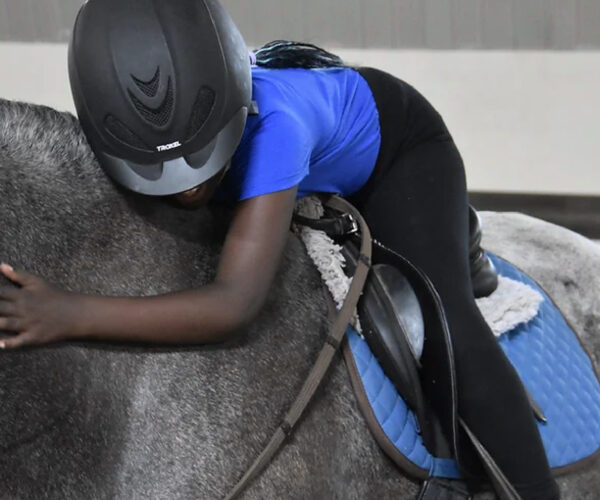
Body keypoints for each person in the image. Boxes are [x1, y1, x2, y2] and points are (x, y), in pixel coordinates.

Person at [0, 0, 558, 498]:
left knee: (445, 326)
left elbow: (234, 304)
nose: (190, 189)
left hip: (399, 155)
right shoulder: (131, 128)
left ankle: (534, 490)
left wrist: (70, 312)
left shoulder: (277, 130)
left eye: (198, 171)